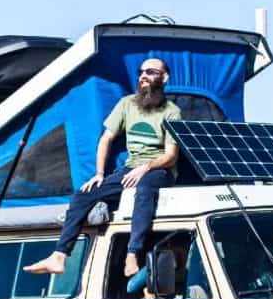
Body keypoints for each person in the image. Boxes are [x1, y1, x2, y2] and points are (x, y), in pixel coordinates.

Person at [24, 57, 182, 277]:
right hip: (129, 170)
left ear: (164, 78)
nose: (144, 76)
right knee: (83, 195)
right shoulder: (127, 104)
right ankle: (59, 256)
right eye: (141, 72)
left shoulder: (172, 112)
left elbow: (171, 156)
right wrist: (99, 174)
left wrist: (145, 168)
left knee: (143, 190)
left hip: (159, 171)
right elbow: (106, 138)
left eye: (151, 72)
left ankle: (132, 254)